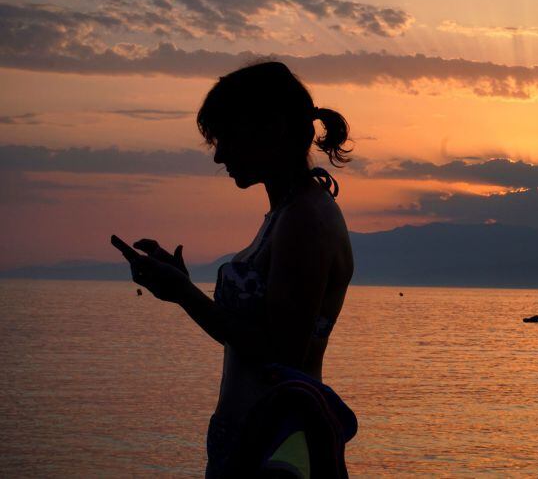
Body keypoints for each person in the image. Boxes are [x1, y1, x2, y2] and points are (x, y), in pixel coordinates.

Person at [111, 61, 356, 478]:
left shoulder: (304, 221)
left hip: (275, 451)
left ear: (271, 128)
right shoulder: (286, 213)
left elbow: (281, 353)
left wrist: (185, 295)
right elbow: (254, 338)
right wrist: (182, 287)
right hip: (251, 436)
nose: (220, 154)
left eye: (227, 137)